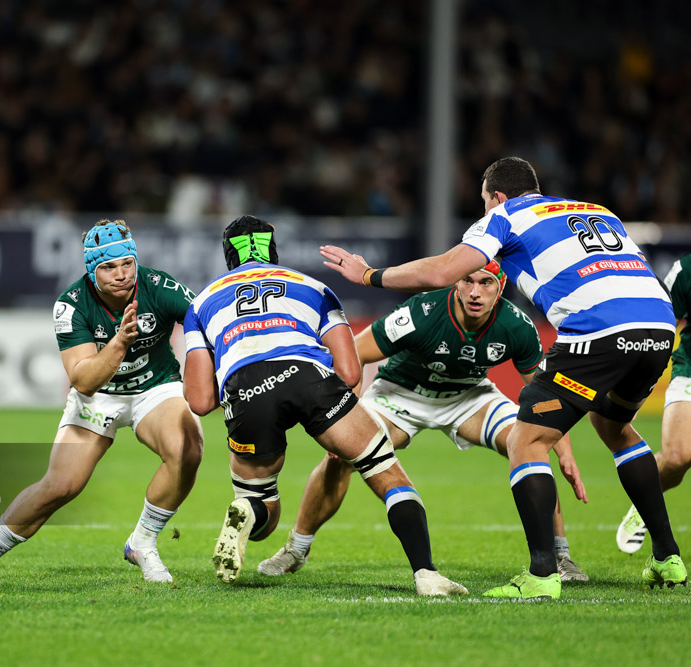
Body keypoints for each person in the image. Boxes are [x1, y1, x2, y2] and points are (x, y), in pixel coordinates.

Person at [319, 157, 686, 599]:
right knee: (614, 427)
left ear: (496, 196)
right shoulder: (595, 210)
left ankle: (542, 574)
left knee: (525, 441)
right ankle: (667, 556)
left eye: (483, 202)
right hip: (658, 326)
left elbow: (441, 272)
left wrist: (368, 275)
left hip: (598, 327)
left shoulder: (506, 215)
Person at [182, 215, 467, 596]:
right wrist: (332, 409)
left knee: (261, 505)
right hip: (309, 375)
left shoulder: (200, 303)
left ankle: (248, 510)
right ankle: (427, 575)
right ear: (272, 249)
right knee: (386, 472)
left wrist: (243, 381)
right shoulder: (314, 287)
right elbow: (349, 372)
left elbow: (200, 401)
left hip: (246, 388)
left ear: (228, 255)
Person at [257, 261, 590, 581]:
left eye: (486, 282)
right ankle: (296, 549)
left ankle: (559, 556)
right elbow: (354, 353)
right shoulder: (422, 312)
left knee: (531, 446)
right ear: (456, 282)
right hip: (400, 394)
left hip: (469, 397)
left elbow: (543, 398)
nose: (475, 292)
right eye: (468, 280)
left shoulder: (517, 326)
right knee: (340, 458)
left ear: (500, 287)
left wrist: (565, 453)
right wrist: (346, 416)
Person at [0, 220, 203, 583]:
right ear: (91, 270)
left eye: (127, 263)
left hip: (155, 387)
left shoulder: (159, 287)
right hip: (97, 396)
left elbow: (207, 320)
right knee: (60, 486)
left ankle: (143, 542)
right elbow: (84, 380)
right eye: (109, 267)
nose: (121, 275)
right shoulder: (71, 305)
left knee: (188, 449)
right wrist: (119, 342)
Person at [616, 252, 691, 553]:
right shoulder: (686, 270)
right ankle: (644, 503)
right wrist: (635, 386)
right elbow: (661, 326)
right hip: (690, 371)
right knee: (676, 456)